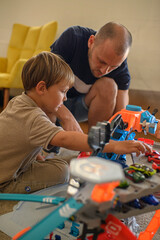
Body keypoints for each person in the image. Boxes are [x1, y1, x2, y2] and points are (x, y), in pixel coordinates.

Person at [0, 51, 151, 198]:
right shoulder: (33, 118)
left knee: (60, 164)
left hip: (8, 165)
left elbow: (22, 142)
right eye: (63, 91)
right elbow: (66, 139)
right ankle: (7, 201)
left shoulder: (19, 102)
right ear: (41, 88)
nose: (65, 98)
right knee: (62, 171)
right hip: (4, 183)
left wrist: (36, 158)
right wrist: (113, 145)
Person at [51, 22, 132, 131]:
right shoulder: (73, 38)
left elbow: (121, 114)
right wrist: (67, 118)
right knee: (45, 88)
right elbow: (47, 82)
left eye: (113, 67)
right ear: (91, 42)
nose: (104, 71)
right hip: (53, 102)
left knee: (108, 86)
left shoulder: (119, 64)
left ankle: (94, 144)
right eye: (101, 61)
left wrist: (120, 135)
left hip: (82, 106)